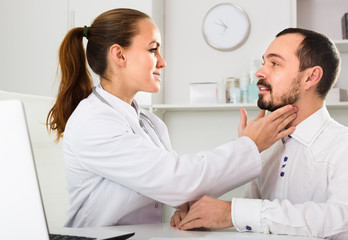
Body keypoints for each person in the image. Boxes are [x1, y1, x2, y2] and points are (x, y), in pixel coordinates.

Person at [46, 8, 297, 228]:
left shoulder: (149, 121)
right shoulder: (93, 122)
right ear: (119, 55)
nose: (163, 62)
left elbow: (173, 185)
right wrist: (250, 145)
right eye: (153, 50)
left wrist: (184, 205)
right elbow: (177, 180)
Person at [172, 28, 348, 239]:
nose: (260, 72)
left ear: (311, 77)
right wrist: (203, 216)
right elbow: (251, 224)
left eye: (275, 63)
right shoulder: (267, 148)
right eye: (264, 62)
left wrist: (231, 213)